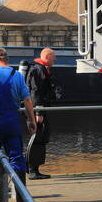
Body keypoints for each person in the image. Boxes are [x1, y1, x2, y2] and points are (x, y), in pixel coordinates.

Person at [0, 47, 37, 202]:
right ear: (7, 59)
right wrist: (32, 120)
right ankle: (22, 200)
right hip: (12, 121)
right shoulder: (16, 75)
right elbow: (27, 99)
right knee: (17, 158)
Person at [26, 47, 62, 180]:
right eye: (54, 56)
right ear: (47, 57)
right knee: (37, 138)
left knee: (41, 138)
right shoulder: (38, 70)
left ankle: (35, 169)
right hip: (37, 110)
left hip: (39, 109)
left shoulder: (42, 69)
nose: (55, 59)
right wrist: (38, 112)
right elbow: (35, 92)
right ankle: (32, 170)